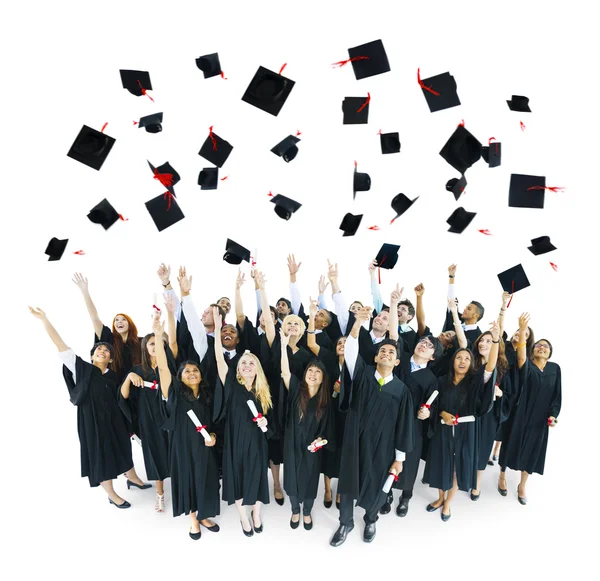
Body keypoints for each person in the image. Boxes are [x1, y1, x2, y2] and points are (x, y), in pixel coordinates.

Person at [29, 306, 149, 508]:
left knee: (123, 447)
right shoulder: (81, 369)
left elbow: (121, 398)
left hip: (115, 420)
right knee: (100, 456)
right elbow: (61, 345)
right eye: (98, 349)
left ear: (111, 359)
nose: (102, 351)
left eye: (107, 350)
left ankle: (133, 478)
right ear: (92, 356)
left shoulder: (112, 376)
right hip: (92, 423)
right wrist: (44, 320)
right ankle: (111, 494)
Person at [331, 306, 414, 547]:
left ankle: (370, 518)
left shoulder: (401, 391)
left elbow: (403, 426)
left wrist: (399, 459)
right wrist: (357, 323)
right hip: (354, 441)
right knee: (347, 482)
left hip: (383, 446)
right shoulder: (362, 375)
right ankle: (345, 522)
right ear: (375, 357)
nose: (386, 353)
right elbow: (350, 351)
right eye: (382, 351)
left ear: (397, 361)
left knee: (378, 483)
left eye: (391, 352)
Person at [421, 321, 500, 521]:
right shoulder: (441, 381)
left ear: (471, 363)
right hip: (443, 431)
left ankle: (448, 502)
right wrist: (442, 415)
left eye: (467, 358)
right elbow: (434, 405)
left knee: (457, 466)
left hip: (465, 432)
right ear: (453, 361)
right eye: (459, 357)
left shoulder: (474, 382)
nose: (462, 361)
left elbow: (490, 367)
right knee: (440, 463)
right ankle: (440, 497)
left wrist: (496, 340)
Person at [152, 316, 221, 539]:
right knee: (189, 480)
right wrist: (157, 333)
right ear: (180, 377)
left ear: (201, 376)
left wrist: (212, 435)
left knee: (206, 479)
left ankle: (203, 513)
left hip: (203, 447)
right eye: (186, 371)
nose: (192, 373)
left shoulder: (206, 396)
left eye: (195, 370)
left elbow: (212, 425)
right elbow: (162, 367)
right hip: (182, 446)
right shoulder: (174, 395)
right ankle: (193, 518)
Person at [379, 285, 442, 517]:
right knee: (387, 456)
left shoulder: (431, 379)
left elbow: (432, 406)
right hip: (390, 417)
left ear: (433, 356)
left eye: (429, 346)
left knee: (410, 460)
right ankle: (386, 493)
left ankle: (406, 495)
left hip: (412, 425)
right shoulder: (400, 360)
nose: (423, 344)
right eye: (422, 341)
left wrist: (427, 414)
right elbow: (393, 336)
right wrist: (393, 304)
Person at [213, 307, 273, 536]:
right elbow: (219, 358)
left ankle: (256, 512)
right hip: (236, 439)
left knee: (257, 475)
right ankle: (242, 515)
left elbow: (270, 422)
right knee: (237, 476)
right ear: (237, 368)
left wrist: (265, 424)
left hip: (257, 441)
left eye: (251, 363)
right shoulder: (231, 385)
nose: (247, 366)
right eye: (243, 363)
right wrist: (218, 328)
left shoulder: (263, 393)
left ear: (256, 368)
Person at [119, 297, 179, 512]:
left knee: (176, 451)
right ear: (145, 347)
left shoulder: (170, 364)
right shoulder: (137, 370)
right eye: (151, 343)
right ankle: (160, 494)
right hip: (149, 420)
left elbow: (171, 341)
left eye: (158, 342)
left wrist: (168, 317)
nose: (155, 346)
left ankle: (182, 489)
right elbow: (123, 396)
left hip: (172, 416)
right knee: (155, 455)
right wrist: (128, 379)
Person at [498, 313, 561, 504]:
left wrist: (553, 415)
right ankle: (502, 476)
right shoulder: (527, 365)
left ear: (550, 352)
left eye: (546, 346)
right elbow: (521, 355)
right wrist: (523, 329)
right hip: (520, 413)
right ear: (532, 350)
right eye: (538, 345)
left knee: (534, 450)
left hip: (540, 418)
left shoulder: (555, 369)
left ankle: (522, 484)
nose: (542, 347)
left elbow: (557, 395)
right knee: (510, 443)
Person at [280, 329, 334, 530]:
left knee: (311, 479)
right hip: (292, 443)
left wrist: (320, 441)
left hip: (312, 447)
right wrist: (284, 346)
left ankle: (308, 511)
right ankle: (295, 509)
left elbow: (327, 431)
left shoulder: (325, 401)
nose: (312, 374)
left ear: (322, 378)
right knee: (292, 478)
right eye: (310, 370)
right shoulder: (296, 389)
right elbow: (285, 372)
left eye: (317, 372)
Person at [305, 299, 346, 510]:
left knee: (343, 451)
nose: (342, 346)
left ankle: (340, 489)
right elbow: (312, 344)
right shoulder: (329, 358)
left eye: (346, 344)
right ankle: (328, 488)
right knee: (328, 449)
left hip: (347, 415)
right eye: (340, 343)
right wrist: (312, 317)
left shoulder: (358, 366)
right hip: (329, 411)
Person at [72, 273, 142, 384]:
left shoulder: (141, 342)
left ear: (130, 324)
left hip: (136, 387)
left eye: (123, 319)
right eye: (116, 320)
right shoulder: (109, 338)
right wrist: (85, 291)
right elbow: (94, 318)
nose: (119, 322)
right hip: (111, 386)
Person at [469, 322, 511, 500]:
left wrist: (501, 394)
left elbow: (510, 396)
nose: (483, 343)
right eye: (481, 340)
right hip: (469, 412)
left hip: (488, 416)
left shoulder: (503, 369)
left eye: (488, 341)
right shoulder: (470, 362)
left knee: (483, 448)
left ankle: (477, 482)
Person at [491, 299, 535, 462]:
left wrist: (524, 329)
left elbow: (522, 360)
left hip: (511, 393)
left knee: (505, 423)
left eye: (524, 334)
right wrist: (503, 306)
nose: (519, 333)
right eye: (518, 331)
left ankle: (497, 448)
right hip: (497, 385)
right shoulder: (505, 347)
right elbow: (499, 330)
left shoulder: (525, 358)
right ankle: (491, 447)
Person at [442, 264, 484, 344]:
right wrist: (451, 277)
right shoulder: (456, 318)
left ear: (476, 315)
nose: (464, 309)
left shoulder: (479, 337)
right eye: (466, 307)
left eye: (469, 309)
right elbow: (451, 300)